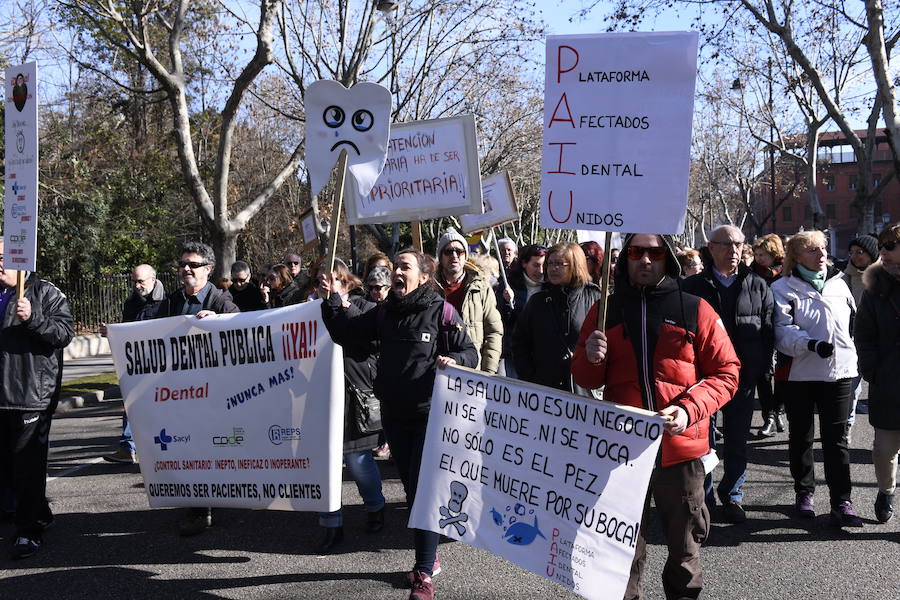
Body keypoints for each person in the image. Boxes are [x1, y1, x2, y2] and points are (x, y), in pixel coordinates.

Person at [571, 233, 740, 600]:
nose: (645, 260)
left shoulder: (695, 308)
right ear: (624, 258)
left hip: (681, 452)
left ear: (668, 258)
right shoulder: (604, 310)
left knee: (684, 553)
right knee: (622, 551)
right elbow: (585, 379)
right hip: (622, 453)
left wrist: (688, 408)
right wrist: (590, 356)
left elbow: (727, 373)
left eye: (654, 252)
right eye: (636, 252)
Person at [321, 248, 478, 600]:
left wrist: (453, 358)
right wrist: (332, 298)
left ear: (423, 276)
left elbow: (471, 352)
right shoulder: (383, 312)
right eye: (394, 267)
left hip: (429, 414)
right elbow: (346, 333)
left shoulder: (441, 310)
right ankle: (429, 553)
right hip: (394, 413)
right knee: (410, 489)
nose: (396, 272)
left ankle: (423, 573)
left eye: (404, 267)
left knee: (424, 491)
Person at [683, 225, 774, 523]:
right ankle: (705, 497)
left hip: (743, 377)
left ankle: (733, 494)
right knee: (704, 442)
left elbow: (768, 329)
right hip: (703, 379)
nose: (733, 250)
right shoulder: (692, 286)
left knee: (737, 440)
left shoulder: (758, 284)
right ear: (711, 247)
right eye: (726, 244)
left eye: (738, 244)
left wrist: (760, 366)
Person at [771, 230, 862, 527]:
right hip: (800, 373)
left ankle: (842, 501)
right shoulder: (782, 287)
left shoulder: (839, 283)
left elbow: (852, 322)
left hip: (840, 372)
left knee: (837, 440)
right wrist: (809, 344)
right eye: (812, 250)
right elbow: (782, 331)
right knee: (802, 436)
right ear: (796, 256)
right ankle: (804, 491)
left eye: (822, 248)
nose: (821, 254)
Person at [156, 241, 240, 536]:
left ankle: (208, 505)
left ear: (208, 269)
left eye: (192, 264)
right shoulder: (170, 301)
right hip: (180, 391)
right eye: (182, 264)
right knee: (187, 448)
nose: (185, 269)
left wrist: (220, 321)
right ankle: (198, 507)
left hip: (213, 391)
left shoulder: (221, 301)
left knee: (209, 447)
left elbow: (241, 329)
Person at [0, 239, 75, 559]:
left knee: (27, 466)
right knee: (6, 465)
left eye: (3, 256)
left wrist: (33, 318)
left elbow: (64, 334)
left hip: (29, 395)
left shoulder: (44, 292)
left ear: (20, 259)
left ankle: (29, 531)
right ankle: (35, 513)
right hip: (1, 396)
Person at [313, 259, 385, 552]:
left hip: (355, 397)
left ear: (345, 282)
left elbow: (375, 341)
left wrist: (343, 309)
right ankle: (332, 524)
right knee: (323, 466)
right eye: (319, 281)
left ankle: (375, 507)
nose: (324, 285)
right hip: (318, 397)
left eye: (330, 280)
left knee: (358, 461)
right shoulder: (306, 309)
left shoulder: (364, 307)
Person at [854, 224, 900, 523]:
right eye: (881, 245)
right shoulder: (874, 289)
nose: (881, 251)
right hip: (889, 383)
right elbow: (864, 335)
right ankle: (886, 490)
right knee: (885, 449)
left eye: (890, 246)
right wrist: (874, 371)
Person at [512, 242, 601, 396]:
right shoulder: (537, 301)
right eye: (550, 263)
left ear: (575, 265)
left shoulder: (595, 299)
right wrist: (530, 378)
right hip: (543, 392)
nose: (553, 268)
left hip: (583, 394)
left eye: (559, 264)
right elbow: (519, 342)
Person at [102, 264, 166, 464]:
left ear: (153, 280)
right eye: (134, 281)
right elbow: (127, 329)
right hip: (136, 363)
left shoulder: (168, 302)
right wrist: (112, 332)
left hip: (161, 365)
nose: (137, 285)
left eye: (141, 281)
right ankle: (127, 448)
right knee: (130, 403)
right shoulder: (131, 302)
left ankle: (160, 449)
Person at [435, 228, 502, 374]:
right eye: (448, 251)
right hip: (437, 371)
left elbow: (494, 331)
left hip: (472, 372)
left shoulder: (481, 287)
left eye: (459, 251)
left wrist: (488, 372)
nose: (454, 256)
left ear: (465, 255)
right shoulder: (430, 287)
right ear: (440, 256)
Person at [751, 234, 785, 437]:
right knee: (763, 376)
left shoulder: (787, 273)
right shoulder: (753, 274)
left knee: (782, 376)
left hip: (784, 330)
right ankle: (769, 416)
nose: (759, 258)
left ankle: (778, 411)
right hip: (762, 330)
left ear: (773, 254)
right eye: (756, 255)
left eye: (762, 254)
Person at [844, 235, 880, 430]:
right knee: (850, 387)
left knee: (883, 389)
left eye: (860, 252)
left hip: (883, 341)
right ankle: (847, 425)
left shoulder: (887, 275)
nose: (855, 256)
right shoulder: (845, 276)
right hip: (853, 339)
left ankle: (886, 432)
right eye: (852, 253)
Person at [496, 244, 547, 378]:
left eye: (544, 265)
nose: (541, 271)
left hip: (541, 356)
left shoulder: (551, 287)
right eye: (536, 265)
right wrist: (508, 303)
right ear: (524, 263)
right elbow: (502, 321)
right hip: (513, 354)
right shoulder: (508, 284)